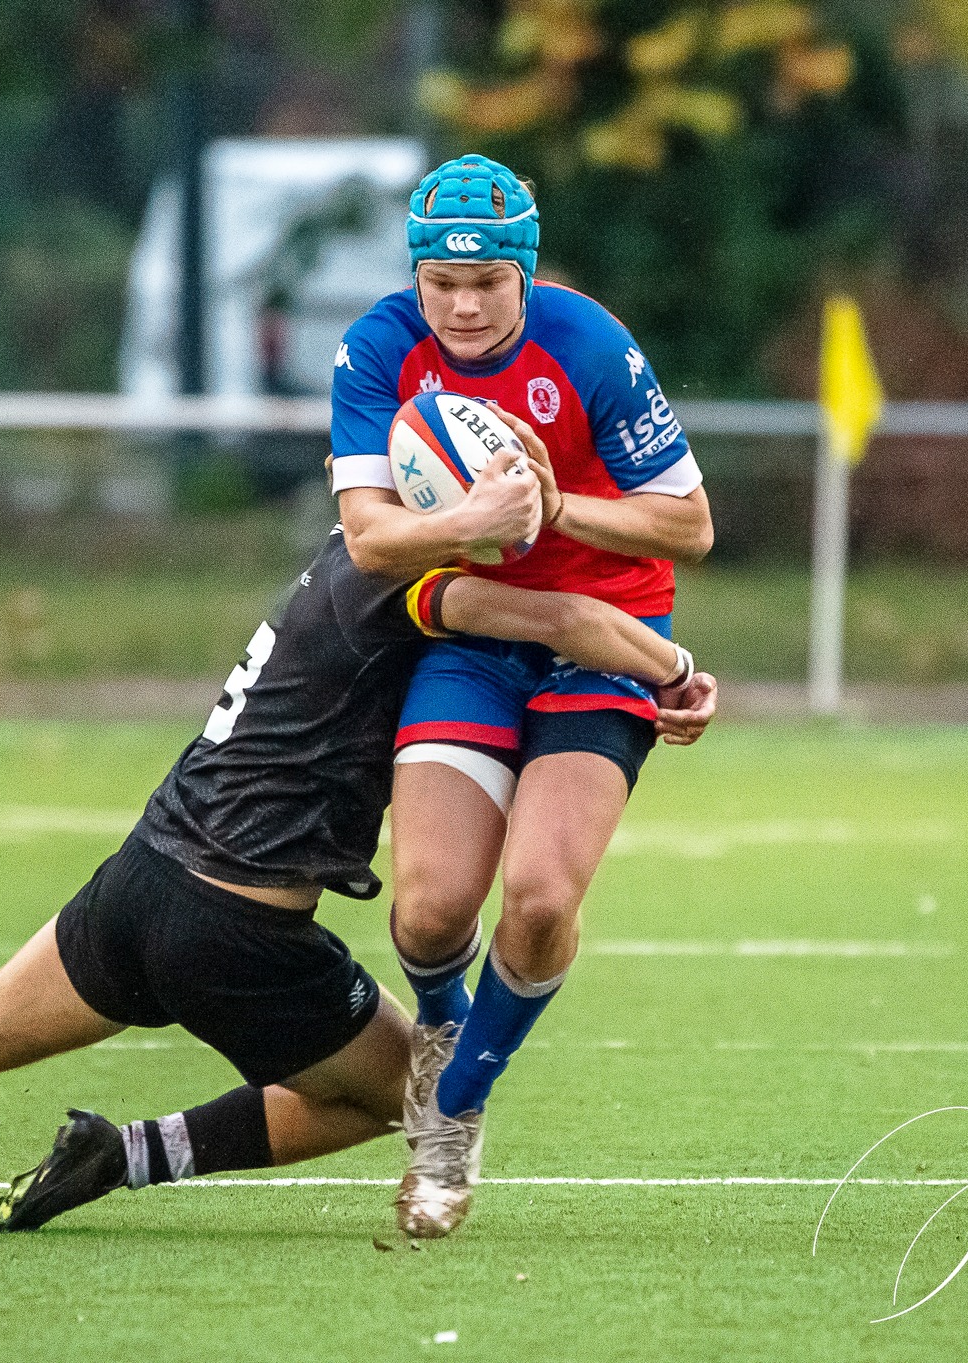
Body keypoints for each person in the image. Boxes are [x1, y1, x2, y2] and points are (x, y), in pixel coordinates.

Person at [0, 462, 717, 1231]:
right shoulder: (422, 589)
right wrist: (672, 675)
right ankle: (127, 1156)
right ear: (445, 503)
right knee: (410, 1100)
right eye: (486, 493)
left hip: (141, 876)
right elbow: (571, 625)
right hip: (239, 925)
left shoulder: (341, 556)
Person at [329, 154, 716, 1238]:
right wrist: (472, 526)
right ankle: (444, 1036)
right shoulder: (377, 348)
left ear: (522, 275)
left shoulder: (587, 344)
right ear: (415, 274)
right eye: (439, 281)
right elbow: (367, 540)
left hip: (605, 641)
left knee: (540, 900)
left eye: (486, 282)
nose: (458, 304)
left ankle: (450, 1112)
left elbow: (687, 525)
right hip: (479, 634)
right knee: (427, 908)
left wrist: (555, 510)